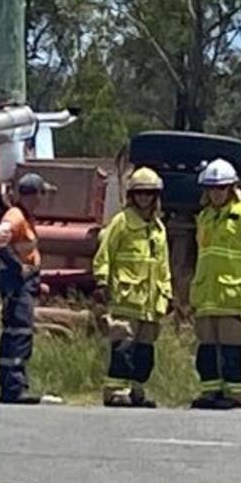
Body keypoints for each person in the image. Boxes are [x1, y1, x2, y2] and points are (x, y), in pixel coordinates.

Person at [189, 159, 241, 410]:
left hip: (233, 296)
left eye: (221, 188)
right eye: (212, 189)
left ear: (231, 188)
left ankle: (237, 395)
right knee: (207, 349)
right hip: (207, 296)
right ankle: (211, 392)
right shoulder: (204, 218)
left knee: (233, 349)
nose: (216, 193)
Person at [92, 167, 172, 408]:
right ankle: (116, 391)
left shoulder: (159, 229)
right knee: (123, 347)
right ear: (132, 196)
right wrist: (102, 281)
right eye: (140, 194)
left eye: (149, 194)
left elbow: (163, 265)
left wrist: (167, 294)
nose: (144, 198)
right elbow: (104, 254)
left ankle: (137, 390)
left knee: (145, 351)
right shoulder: (122, 222)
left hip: (150, 303)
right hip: (126, 299)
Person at [0, 172, 63, 405]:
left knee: (20, 331)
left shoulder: (25, 217)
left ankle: (15, 385)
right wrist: (17, 268)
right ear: (35, 194)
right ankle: (13, 387)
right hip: (16, 284)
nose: (43, 199)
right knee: (18, 332)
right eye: (42, 193)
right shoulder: (16, 216)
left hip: (25, 283)